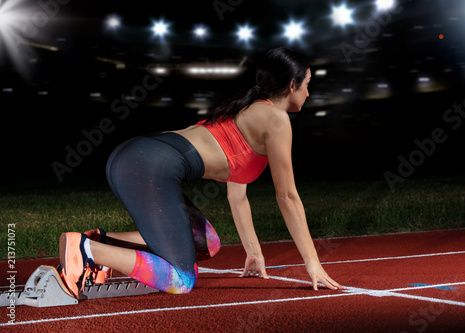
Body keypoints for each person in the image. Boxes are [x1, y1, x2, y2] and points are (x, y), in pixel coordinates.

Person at [58, 47, 343, 298]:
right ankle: (86, 250)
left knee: (206, 241)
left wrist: (254, 251)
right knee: (181, 279)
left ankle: (101, 243)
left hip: (135, 156)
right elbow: (287, 197)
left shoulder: (247, 109)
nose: (308, 93)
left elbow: (238, 197)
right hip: (148, 165)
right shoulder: (276, 119)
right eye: (307, 85)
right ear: (292, 85)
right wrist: (313, 262)